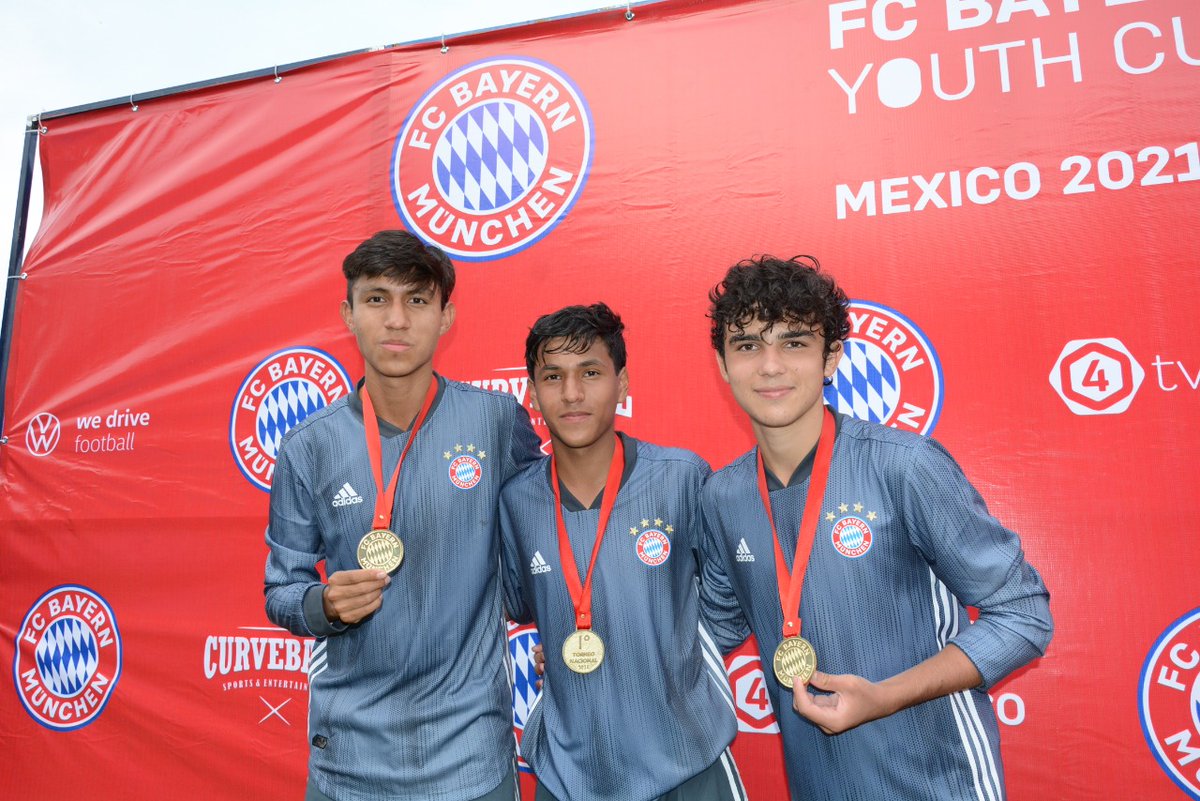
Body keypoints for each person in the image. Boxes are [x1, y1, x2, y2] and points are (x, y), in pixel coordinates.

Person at [699, 255, 1053, 800]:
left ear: (831, 357)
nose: (770, 366)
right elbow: (706, 630)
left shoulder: (902, 466)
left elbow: (1024, 615)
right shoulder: (723, 497)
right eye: (748, 345)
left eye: (794, 343)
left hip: (940, 783)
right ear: (723, 365)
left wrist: (885, 697)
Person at [264, 230, 541, 801]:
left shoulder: (496, 423)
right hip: (348, 763)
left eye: (417, 300)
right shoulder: (307, 448)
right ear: (348, 314)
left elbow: (547, 547)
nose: (396, 320)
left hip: (470, 760)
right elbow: (281, 590)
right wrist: (322, 604)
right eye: (376, 299)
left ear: (446, 317)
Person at [499, 303, 745, 801]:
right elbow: (525, 603)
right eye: (553, 376)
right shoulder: (517, 500)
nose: (571, 394)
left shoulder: (681, 478)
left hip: (686, 761)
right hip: (568, 772)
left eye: (590, 373)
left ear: (623, 383)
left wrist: (658, 655)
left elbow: (731, 605)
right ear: (531, 391)